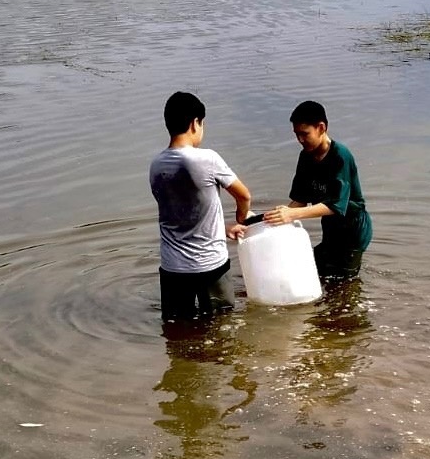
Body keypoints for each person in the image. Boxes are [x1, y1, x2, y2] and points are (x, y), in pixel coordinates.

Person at [149, 91, 251, 322]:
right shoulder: (207, 159)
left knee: (178, 330)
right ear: (195, 123)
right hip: (210, 266)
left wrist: (221, 228)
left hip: (173, 269)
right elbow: (244, 196)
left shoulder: (156, 165)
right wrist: (241, 221)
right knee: (222, 331)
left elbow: (179, 215)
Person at [263, 100, 372, 280]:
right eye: (296, 134)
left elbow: (336, 206)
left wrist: (291, 215)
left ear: (321, 128)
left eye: (305, 134)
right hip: (331, 226)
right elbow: (300, 200)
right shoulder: (306, 157)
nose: (300, 140)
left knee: (343, 283)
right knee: (316, 272)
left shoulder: (340, 156)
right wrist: (277, 217)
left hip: (352, 228)